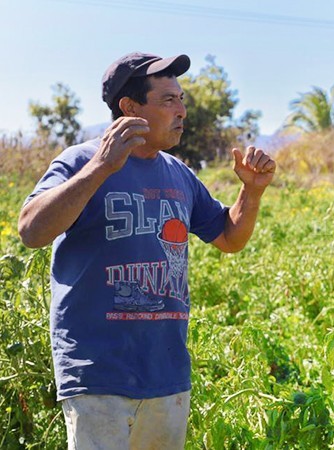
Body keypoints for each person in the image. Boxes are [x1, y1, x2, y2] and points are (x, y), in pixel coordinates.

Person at [17, 52, 276, 449]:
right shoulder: (81, 161)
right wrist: (102, 167)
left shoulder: (178, 173)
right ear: (130, 108)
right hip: (98, 373)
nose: (182, 111)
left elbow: (229, 238)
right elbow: (32, 230)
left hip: (165, 374)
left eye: (182, 99)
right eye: (169, 100)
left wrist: (251, 192)